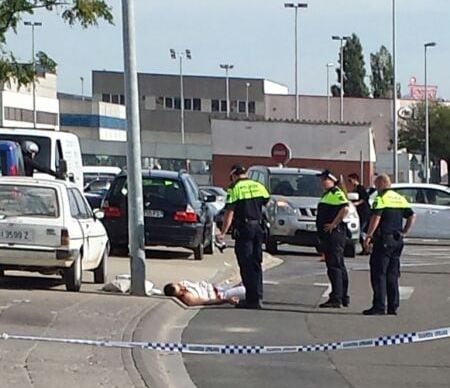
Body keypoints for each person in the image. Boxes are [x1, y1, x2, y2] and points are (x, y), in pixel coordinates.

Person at [217, 164, 270, 309]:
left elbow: (230, 212)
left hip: (244, 228)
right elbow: (266, 201)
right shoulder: (258, 185)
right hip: (258, 227)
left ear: (233, 175)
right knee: (256, 263)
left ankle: (251, 299)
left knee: (246, 263)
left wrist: (222, 232)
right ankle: (258, 297)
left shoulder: (235, 189)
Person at [362, 174, 416, 316]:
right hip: (397, 240)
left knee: (379, 273)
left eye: (376, 185)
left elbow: (376, 217)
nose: (375, 187)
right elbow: (412, 216)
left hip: (384, 240)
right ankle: (393, 306)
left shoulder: (380, 199)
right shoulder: (400, 198)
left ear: (381, 184)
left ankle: (379, 306)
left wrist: (368, 236)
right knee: (392, 274)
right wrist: (404, 231)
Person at [316, 170, 350, 308]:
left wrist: (334, 224)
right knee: (337, 265)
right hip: (331, 235)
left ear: (332, 180)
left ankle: (337, 298)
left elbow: (345, 208)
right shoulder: (329, 194)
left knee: (335, 266)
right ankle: (342, 296)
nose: (322, 182)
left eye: (324, 179)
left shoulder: (336, 193)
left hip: (334, 235)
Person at [164, 280, 246, 306]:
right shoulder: (188, 298)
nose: (183, 288)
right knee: (248, 290)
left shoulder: (183, 284)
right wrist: (226, 300)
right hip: (220, 295)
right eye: (181, 291)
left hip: (218, 288)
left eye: (179, 286)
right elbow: (206, 301)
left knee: (249, 279)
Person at [347, 173, 371, 255]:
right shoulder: (355, 189)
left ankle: (366, 247)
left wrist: (357, 203)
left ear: (355, 179)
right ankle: (365, 248)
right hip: (359, 213)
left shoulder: (360, 188)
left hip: (364, 213)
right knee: (361, 231)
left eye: (350, 180)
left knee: (360, 231)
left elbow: (365, 198)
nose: (349, 182)